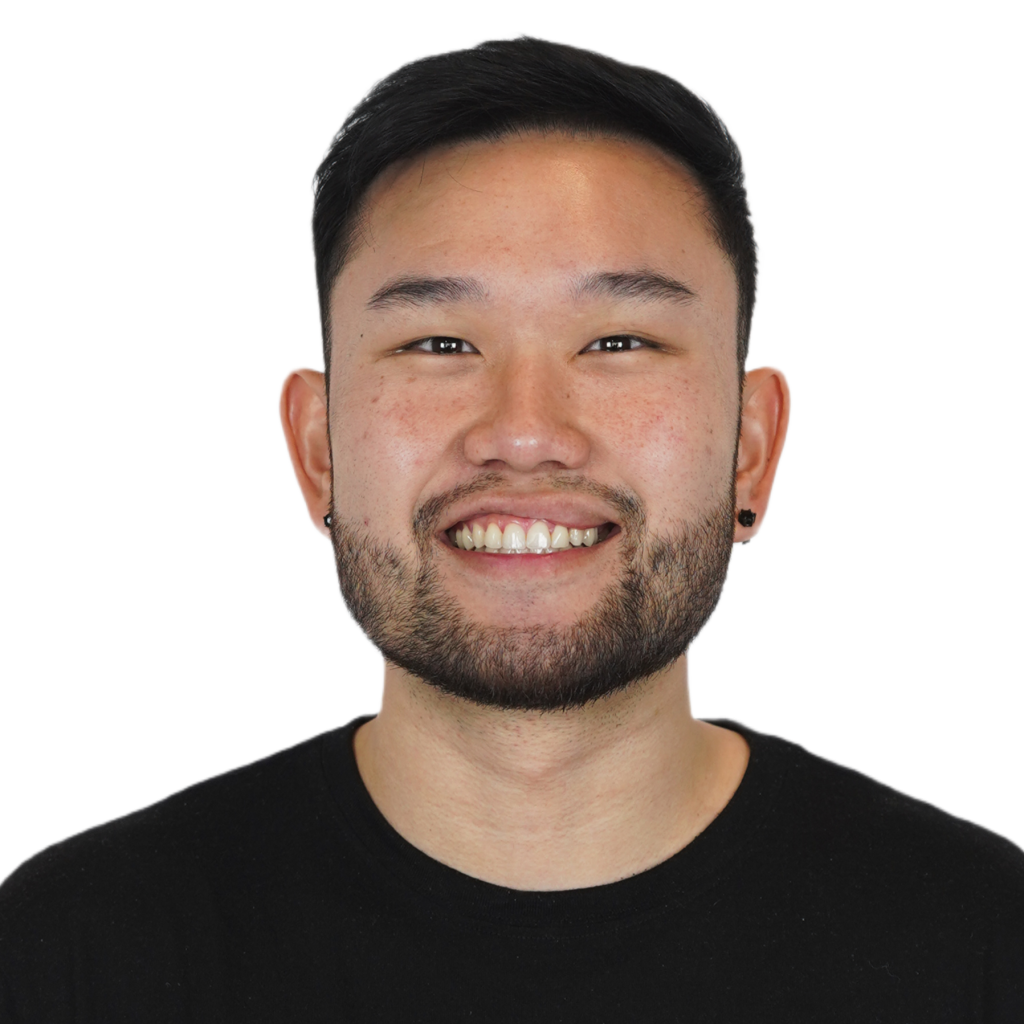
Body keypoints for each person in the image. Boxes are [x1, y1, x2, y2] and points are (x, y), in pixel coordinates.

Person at [1, 32, 1020, 1023]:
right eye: (440, 343)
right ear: (316, 450)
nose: (526, 434)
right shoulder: (63, 951)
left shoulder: (991, 941)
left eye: (618, 341)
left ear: (753, 447)